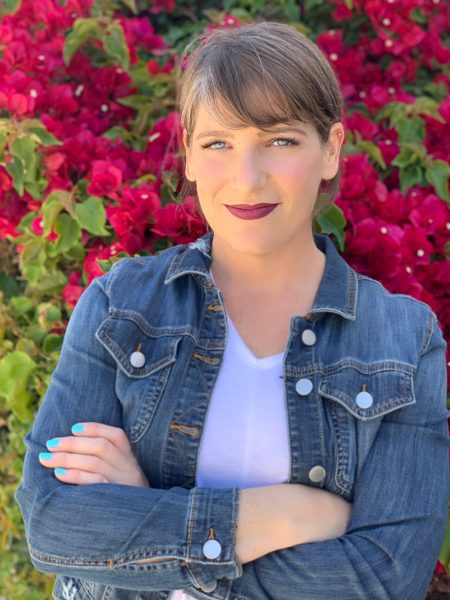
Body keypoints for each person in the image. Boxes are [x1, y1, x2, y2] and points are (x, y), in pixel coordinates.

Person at [15, 20, 449, 600]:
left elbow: (386, 578)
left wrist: (147, 512)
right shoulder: (121, 306)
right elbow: (53, 525)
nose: (247, 178)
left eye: (281, 140)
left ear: (331, 151)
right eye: (219, 143)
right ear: (190, 156)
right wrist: (282, 517)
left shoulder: (403, 338)